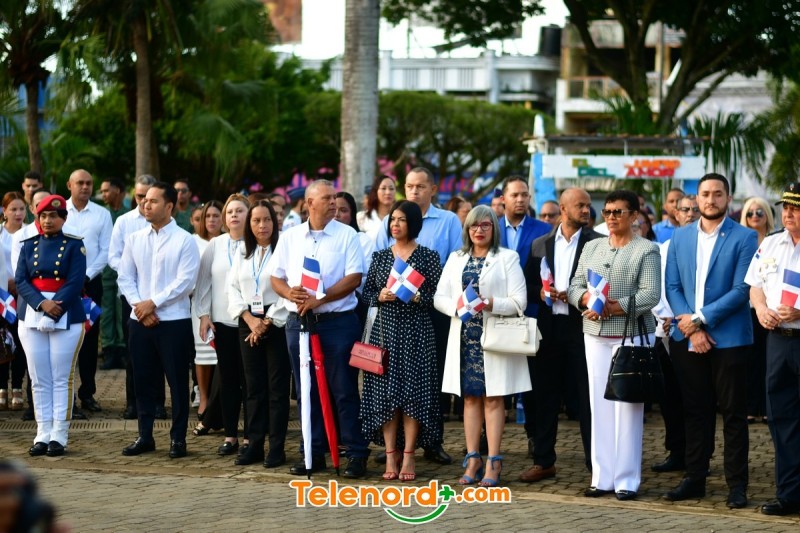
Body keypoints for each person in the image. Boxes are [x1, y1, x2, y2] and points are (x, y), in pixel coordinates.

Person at [664, 173, 757, 509]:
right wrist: (692, 328)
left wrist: (700, 319)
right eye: (705, 193)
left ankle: (737, 484)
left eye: (718, 194)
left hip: (729, 339)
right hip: (688, 338)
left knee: (733, 414)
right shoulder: (680, 236)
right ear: (697, 198)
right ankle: (695, 478)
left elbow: (742, 289)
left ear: (728, 199)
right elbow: (672, 286)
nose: (711, 199)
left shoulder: (745, 237)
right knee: (695, 411)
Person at [270, 179, 371, 478]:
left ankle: (355, 453)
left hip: (337, 323)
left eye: (334, 197)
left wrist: (320, 298)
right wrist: (289, 293)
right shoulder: (290, 237)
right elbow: (275, 277)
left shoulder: (347, 234)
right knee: (306, 390)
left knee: (344, 390)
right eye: (327, 198)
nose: (333, 202)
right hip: (298, 323)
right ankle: (312, 454)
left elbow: (354, 278)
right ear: (309, 204)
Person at [567, 189, 660, 501]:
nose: (611, 217)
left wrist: (613, 307)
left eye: (618, 212)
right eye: (607, 211)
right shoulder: (592, 246)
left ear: (634, 215)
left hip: (631, 335)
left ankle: (627, 479)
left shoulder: (647, 249)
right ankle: (601, 477)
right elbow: (574, 286)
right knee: (599, 406)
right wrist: (586, 299)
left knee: (628, 408)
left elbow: (651, 294)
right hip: (594, 333)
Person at [434, 205, 530, 487]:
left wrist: (489, 303)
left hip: (493, 337)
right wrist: (458, 308)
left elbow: (519, 302)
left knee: (493, 398)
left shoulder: (507, 258)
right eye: (474, 225)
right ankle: (473, 458)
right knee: (470, 398)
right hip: (464, 337)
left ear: (494, 229)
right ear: (467, 229)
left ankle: (494, 461)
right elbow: (439, 297)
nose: (479, 230)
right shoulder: (456, 258)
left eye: (485, 225)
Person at [374, 167, 461, 466]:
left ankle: (432, 442)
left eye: (420, 186)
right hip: (390, 317)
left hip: (431, 310)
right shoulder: (388, 222)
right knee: (392, 381)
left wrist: (422, 291)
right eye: (409, 186)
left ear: (432, 189)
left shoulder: (448, 220)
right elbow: (378, 261)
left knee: (428, 379)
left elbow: (454, 262)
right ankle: (394, 447)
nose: (413, 191)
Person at [519, 188, 601, 482]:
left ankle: (596, 466)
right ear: (563, 210)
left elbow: (604, 284)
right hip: (549, 328)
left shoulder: (597, 243)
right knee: (545, 397)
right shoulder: (540, 244)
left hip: (584, 329)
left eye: (588, 206)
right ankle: (543, 461)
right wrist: (542, 293)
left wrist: (581, 296)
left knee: (588, 398)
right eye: (580, 205)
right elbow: (527, 286)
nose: (586, 210)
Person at [361, 200, 442, 481]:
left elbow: (437, 298)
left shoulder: (428, 257)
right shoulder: (381, 256)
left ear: (413, 223)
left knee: (413, 394)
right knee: (386, 394)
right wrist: (379, 295)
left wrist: (416, 296)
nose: (395, 224)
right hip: (385, 332)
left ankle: (408, 455)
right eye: (392, 219)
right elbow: (366, 294)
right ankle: (389, 454)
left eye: (402, 220)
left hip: (417, 333)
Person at [118, 181, 199, 459]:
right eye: (144, 200)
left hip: (173, 321)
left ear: (169, 206)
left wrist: (153, 303)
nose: (145, 204)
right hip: (139, 320)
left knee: (177, 381)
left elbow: (185, 281)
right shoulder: (135, 239)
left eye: (153, 201)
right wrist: (140, 306)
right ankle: (145, 435)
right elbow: (125, 277)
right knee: (143, 379)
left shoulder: (184, 240)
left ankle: (178, 438)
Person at [16, 195, 87, 457]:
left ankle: (59, 434)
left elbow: (76, 280)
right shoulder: (28, 244)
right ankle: (42, 433)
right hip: (33, 312)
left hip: (65, 312)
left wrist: (55, 305)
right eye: (43, 216)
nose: (48, 220)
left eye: (54, 216)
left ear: (64, 218)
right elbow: (21, 280)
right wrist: (41, 304)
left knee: (62, 378)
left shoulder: (74, 245)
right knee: (38, 378)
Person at [745, 184, 800, 516]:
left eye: (796, 208)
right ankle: (789, 494)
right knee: (781, 417)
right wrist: (762, 309)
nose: (788, 213)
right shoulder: (771, 243)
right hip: (778, 340)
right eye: (786, 207)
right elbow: (755, 285)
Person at [228, 200, 290, 467]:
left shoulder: (284, 248)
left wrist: (266, 322)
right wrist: (249, 319)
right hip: (248, 319)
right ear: (249, 224)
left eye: (267, 220)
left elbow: (289, 288)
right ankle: (254, 444)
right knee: (253, 387)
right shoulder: (243, 251)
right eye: (256, 220)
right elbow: (232, 287)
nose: (262, 225)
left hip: (276, 320)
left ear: (274, 222)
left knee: (277, 388)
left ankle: (276, 447)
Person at [108, 174, 166, 421]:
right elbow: (113, 256)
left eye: (149, 197)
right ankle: (133, 402)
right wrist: (130, 275)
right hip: (131, 297)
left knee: (159, 352)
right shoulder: (124, 222)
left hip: (159, 299)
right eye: (140, 196)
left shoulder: (165, 223)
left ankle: (158, 403)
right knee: (134, 352)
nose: (144, 202)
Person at [195, 195, 249, 456]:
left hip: (249, 322)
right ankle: (230, 435)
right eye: (230, 212)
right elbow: (203, 281)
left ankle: (250, 436)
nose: (234, 215)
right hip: (222, 322)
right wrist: (204, 314)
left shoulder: (256, 244)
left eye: (240, 211)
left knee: (249, 381)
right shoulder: (216, 244)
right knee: (227, 380)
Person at [63, 169, 113, 414]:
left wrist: (86, 275)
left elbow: (106, 250)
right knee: (64, 338)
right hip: (61, 285)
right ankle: (67, 396)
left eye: (89, 183)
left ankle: (87, 393)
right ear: (69, 185)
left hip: (90, 284)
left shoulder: (102, 214)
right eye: (80, 183)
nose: (85, 187)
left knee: (90, 340)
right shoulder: (59, 210)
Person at [740, 197, 774, 425]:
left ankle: (767, 407)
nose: (754, 216)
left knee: (768, 360)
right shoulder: (741, 241)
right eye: (750, 212)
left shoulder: (776, 241)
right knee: (749, 361)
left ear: (767, 215)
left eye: (759, 212)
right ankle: (751, 407)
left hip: (772, 312)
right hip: (747, 309)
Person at [191, 200, 223, 423]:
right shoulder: (193, 242)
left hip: (223, 303)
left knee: (222, 354)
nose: (211, 220)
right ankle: (203, 398)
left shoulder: (229, 241)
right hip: (200, 303)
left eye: (216, 215)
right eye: (207, 216)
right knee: (203, 353)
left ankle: (219, 401)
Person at [0, 192, 29, 411]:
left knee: (20, 341)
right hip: (2, 295)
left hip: (24, 294)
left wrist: (19, 284)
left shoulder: (30, 233)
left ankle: (18, 386)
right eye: (13, 209)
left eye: (21, 209)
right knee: (2, 340)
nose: (18, 213)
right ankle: (2, 387)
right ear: (5, 212)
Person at [99, 178, 128, 370]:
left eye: (106, 191)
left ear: (117, 190)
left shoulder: (128, 214)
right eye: (102, 191)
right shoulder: (103, 214)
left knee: (122, 311)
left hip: (125, 269)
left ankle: (123, 349)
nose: (103, 195)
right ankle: (109, 349)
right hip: (106, 271)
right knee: (107, 312)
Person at [497, 176, 550, 273]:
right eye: (514, 195)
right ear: (503, 199)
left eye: (525, 195)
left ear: (529, 198)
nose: (520, 199)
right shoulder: (492, 230)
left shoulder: (545, 230)